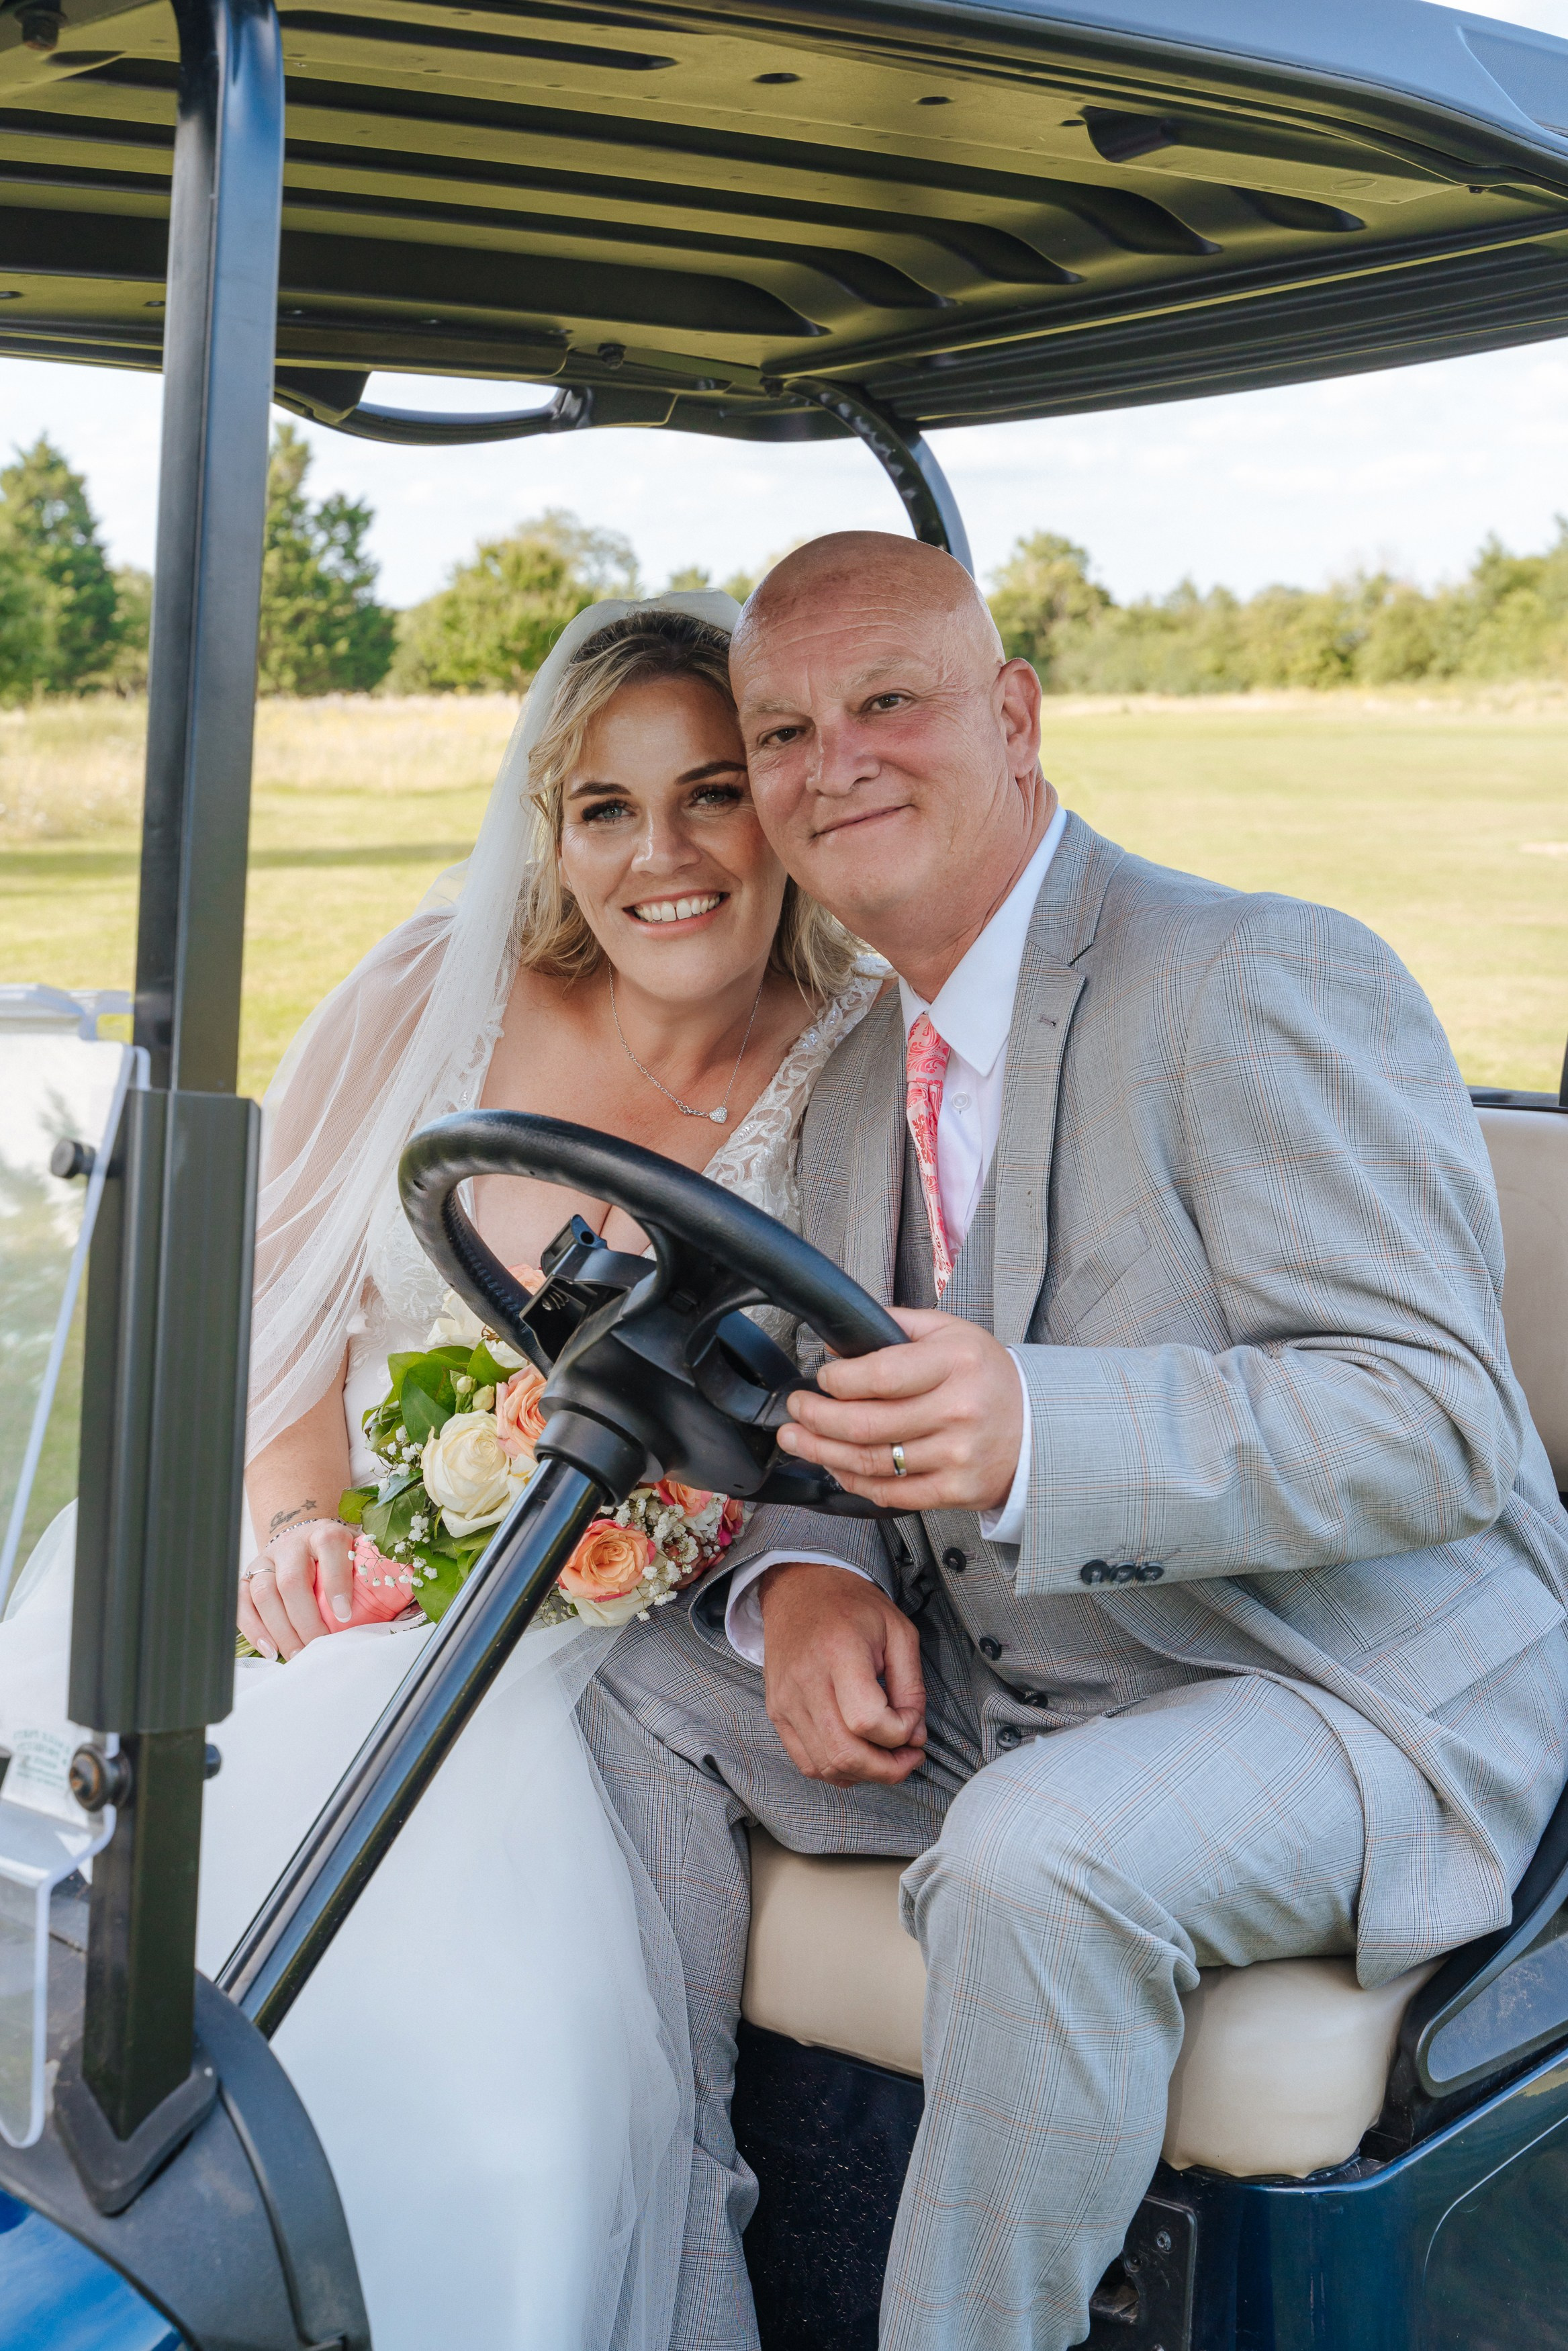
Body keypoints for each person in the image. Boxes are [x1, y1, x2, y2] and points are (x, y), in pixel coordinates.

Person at [580, 533, 1568, 2351]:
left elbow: (1434, 1422)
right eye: (785, 729)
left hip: (1348, 1681)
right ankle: (675, 2288)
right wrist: (803, 1576)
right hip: (1048, 1681)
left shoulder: (1251, 978)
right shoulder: (872, 1061)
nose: (833, 761)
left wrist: (1045, 1420)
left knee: (1041, 1852)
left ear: (1016, 717)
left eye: (889, 702)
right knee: (624, 1683)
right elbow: (829, 1409)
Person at [0, 592, 882, 2351]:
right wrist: (291, 1530)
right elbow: (288, 1317)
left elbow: (859, 1389)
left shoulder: (857, 1063)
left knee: (413, 1837)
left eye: (713, 792)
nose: (668, 857)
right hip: (336, 1552)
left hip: (618, 1626)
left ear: (779, 806)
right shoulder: (435, 983)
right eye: (608, 807)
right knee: (205, 1735)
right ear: (550, 826)